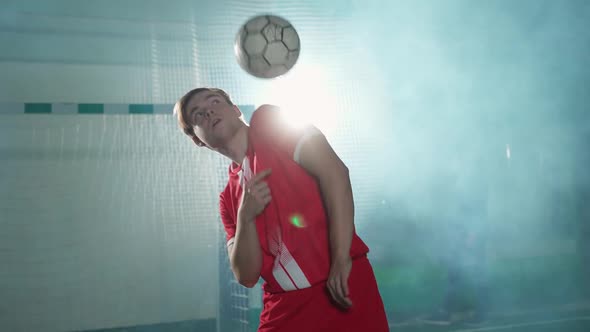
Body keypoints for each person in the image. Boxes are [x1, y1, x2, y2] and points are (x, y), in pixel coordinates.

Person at [174, 87, 389, 332]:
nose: (209, 111)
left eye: (214, 101)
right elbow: (246, 275)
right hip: (285, 307)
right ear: (197, 139)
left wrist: (340, 258)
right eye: (198, 114)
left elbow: (335, 173)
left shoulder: (268, 122)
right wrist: (246, 218)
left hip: (340, 283)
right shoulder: (227, 200)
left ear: (235, 110)